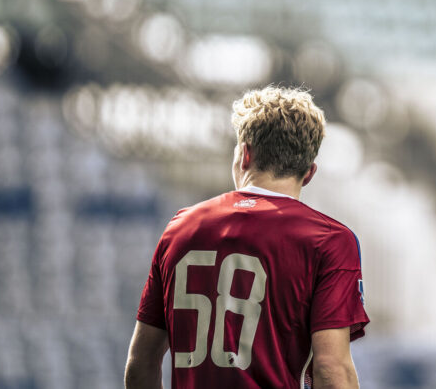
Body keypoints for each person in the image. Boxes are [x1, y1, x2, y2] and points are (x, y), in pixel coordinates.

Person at [125, 86, 369, 389]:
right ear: (309, 173)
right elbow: (332, 368)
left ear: (245, 154)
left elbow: (141, 362)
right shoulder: (329, 241)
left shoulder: (180, 227)